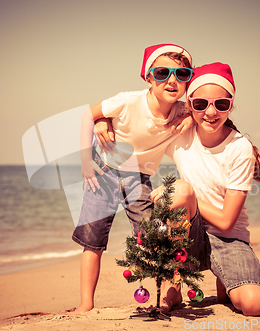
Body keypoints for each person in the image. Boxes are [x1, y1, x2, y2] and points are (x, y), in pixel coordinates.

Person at [71, 44, 195, 314]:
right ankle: (85, 304)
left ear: (188, 79)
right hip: (103, 170)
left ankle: (171, 293)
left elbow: (212, 114)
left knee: (151, 236)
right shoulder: (128, 101)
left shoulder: (186, 111)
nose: (172, 80)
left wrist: (192, 118)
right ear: (148, 78)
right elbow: (86, 115)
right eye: (163, 73)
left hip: (139, 177)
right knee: (93, 239)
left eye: (182, 74)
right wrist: (85, 160)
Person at [151, 62, 260, 316]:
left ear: (231, 105)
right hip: (188, 233)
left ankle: (225, 281)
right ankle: (175, 285)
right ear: (190, 103)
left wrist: (188, 196)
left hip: (228, 237)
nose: (211, 112)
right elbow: (140, 123)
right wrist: (102, 121)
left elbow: (227, 222)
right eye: (201, 104)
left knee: (254, 305)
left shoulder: (240, 148)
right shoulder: (181, 134)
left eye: (221, 104)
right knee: (180, 193)